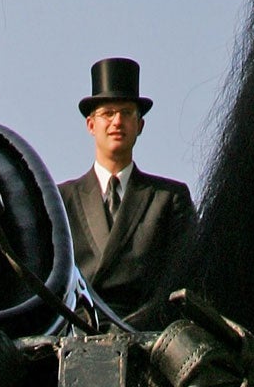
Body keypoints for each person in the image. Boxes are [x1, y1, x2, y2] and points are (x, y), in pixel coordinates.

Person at [58, 57, 196, 321]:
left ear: (140, 125)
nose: (117, 122)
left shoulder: (169, 198)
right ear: (91, 125)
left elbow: (186, 278)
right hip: (78, 333)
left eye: (126, 113)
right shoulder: (62, 199)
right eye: (107, 113)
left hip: (149, 337)